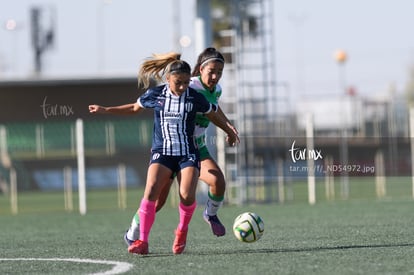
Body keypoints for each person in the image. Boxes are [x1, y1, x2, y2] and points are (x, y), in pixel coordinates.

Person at [89, 52, 238, 255]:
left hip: (190, 150)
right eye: (212, 71)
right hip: (164, 152)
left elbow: (213, 111)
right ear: (169, 79)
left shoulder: (198, 96)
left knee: (194, 191)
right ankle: (138, 237)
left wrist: (229, 129)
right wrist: (106, 110)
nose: (184, 86)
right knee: (155, 197)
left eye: (219, 72)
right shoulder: (164, 92)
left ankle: (191, 226)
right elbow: (134, 108)